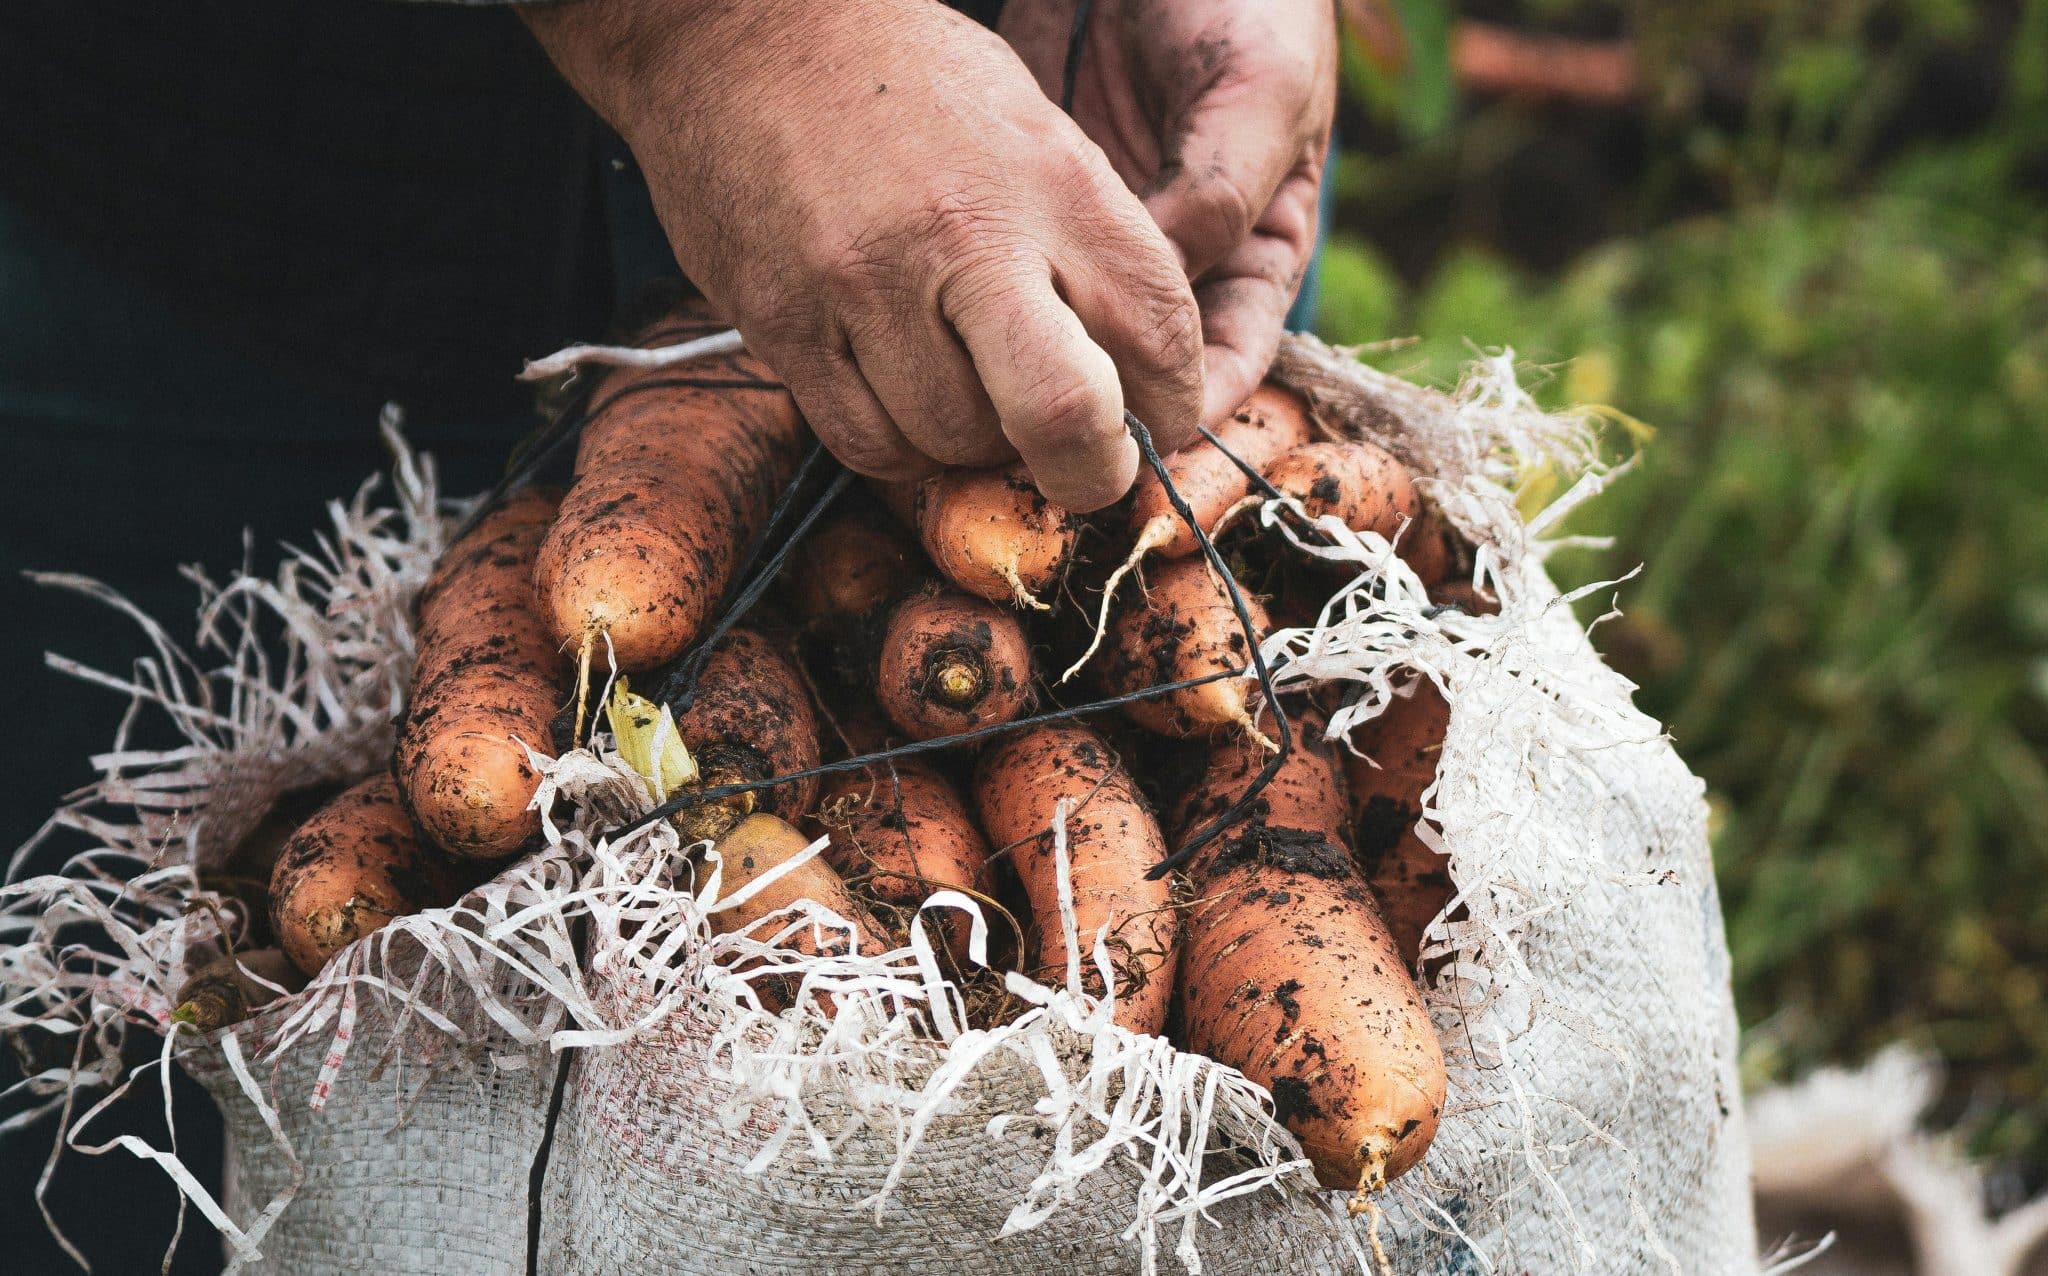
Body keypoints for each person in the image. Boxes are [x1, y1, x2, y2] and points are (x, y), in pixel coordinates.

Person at [0, 2, 1332, 1267]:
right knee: (203, 1109)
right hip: (273, 214)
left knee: (1167, 1138)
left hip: (1029, 179)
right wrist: (715, 30)